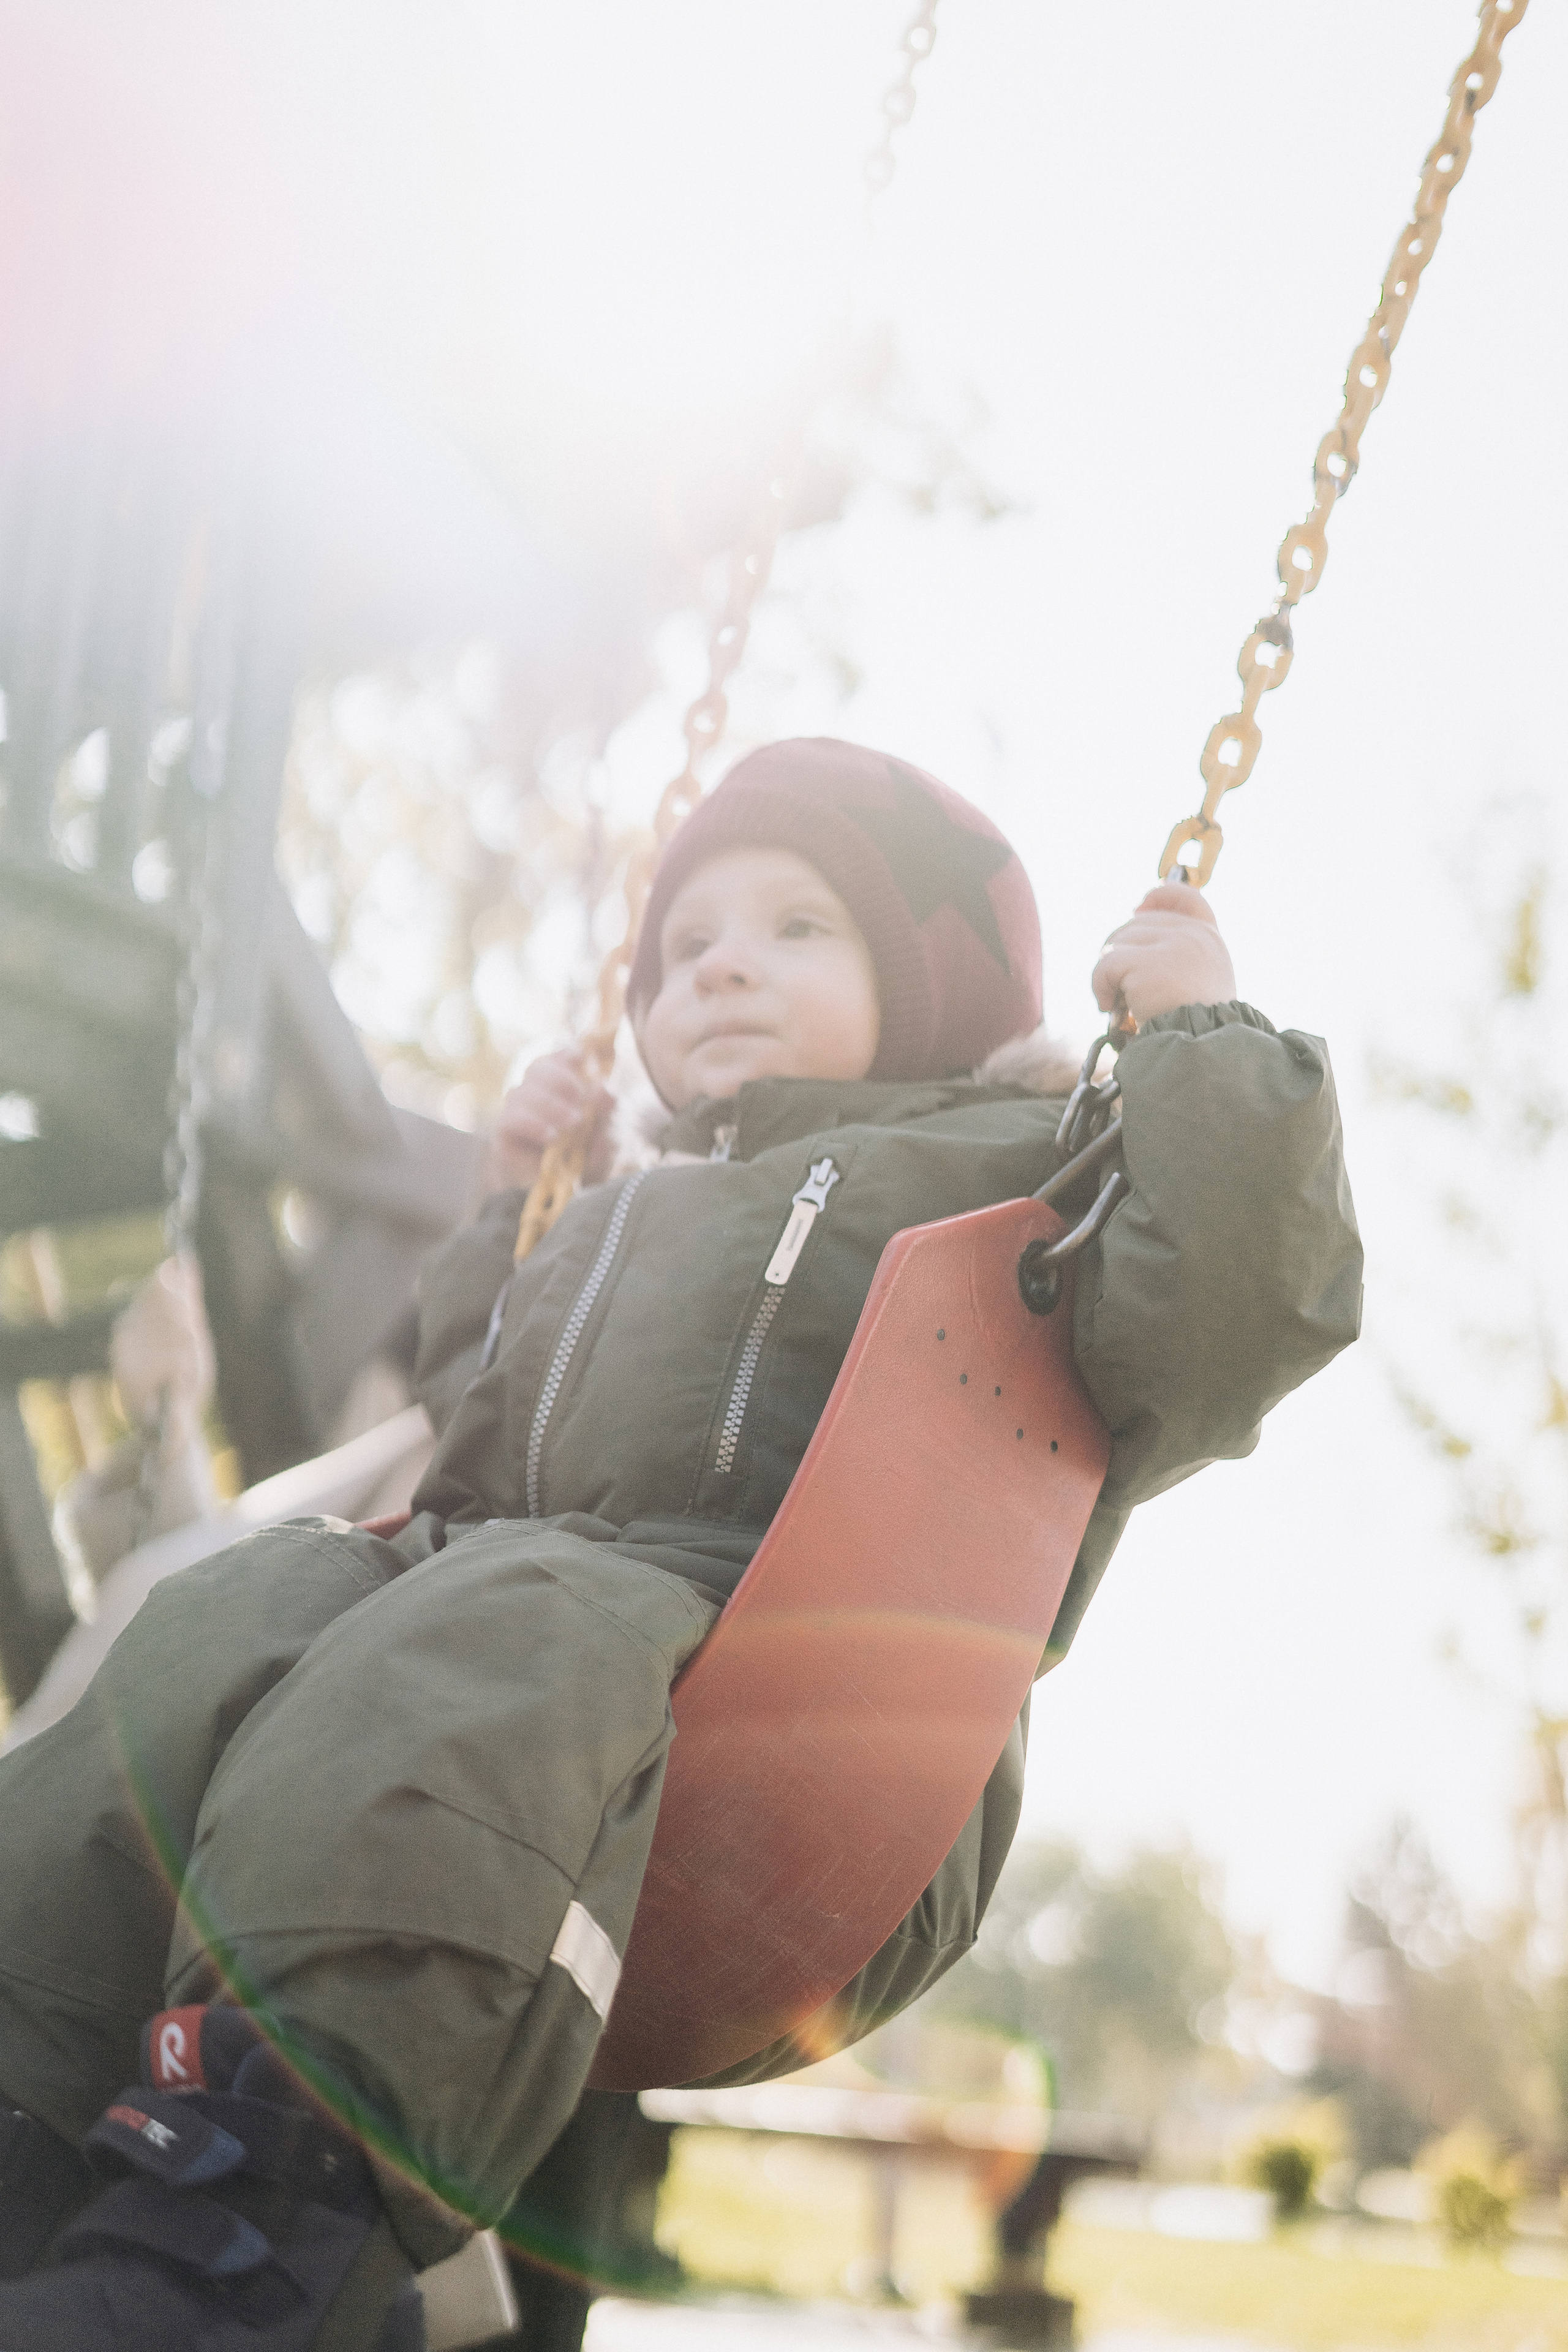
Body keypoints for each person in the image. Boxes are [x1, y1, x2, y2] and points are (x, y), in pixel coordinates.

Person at [0, 738, 1362, 2349]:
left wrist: (1199, 1047)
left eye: (799, 926)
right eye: (688, 941)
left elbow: (1226, 1322)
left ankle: (260, 2204)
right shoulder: (616, 1209)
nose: (720, 961)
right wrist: (513, 1209)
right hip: (517, 1654)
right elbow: (478, 1423)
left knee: (503, 1605)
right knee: (240, 1607)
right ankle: (28, 2126)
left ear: (932, 983)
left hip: (818, 1732)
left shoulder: (1019, 1177)